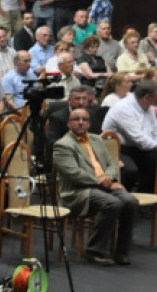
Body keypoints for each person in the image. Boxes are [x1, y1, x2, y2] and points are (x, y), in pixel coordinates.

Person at [54, 108, 137, 265]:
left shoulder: (96, 140)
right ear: (69, 123)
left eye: (84, 119)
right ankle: (94, 251)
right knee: (112, 203)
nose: (80, 122)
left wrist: (110, 178)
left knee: (130, 201)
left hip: (103, 187)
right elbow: (73, 173)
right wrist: (101, 180)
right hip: (77, 192)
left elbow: (111, 164)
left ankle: (121, 251)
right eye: (76, 119)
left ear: (89, 124)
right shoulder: (62, 145)